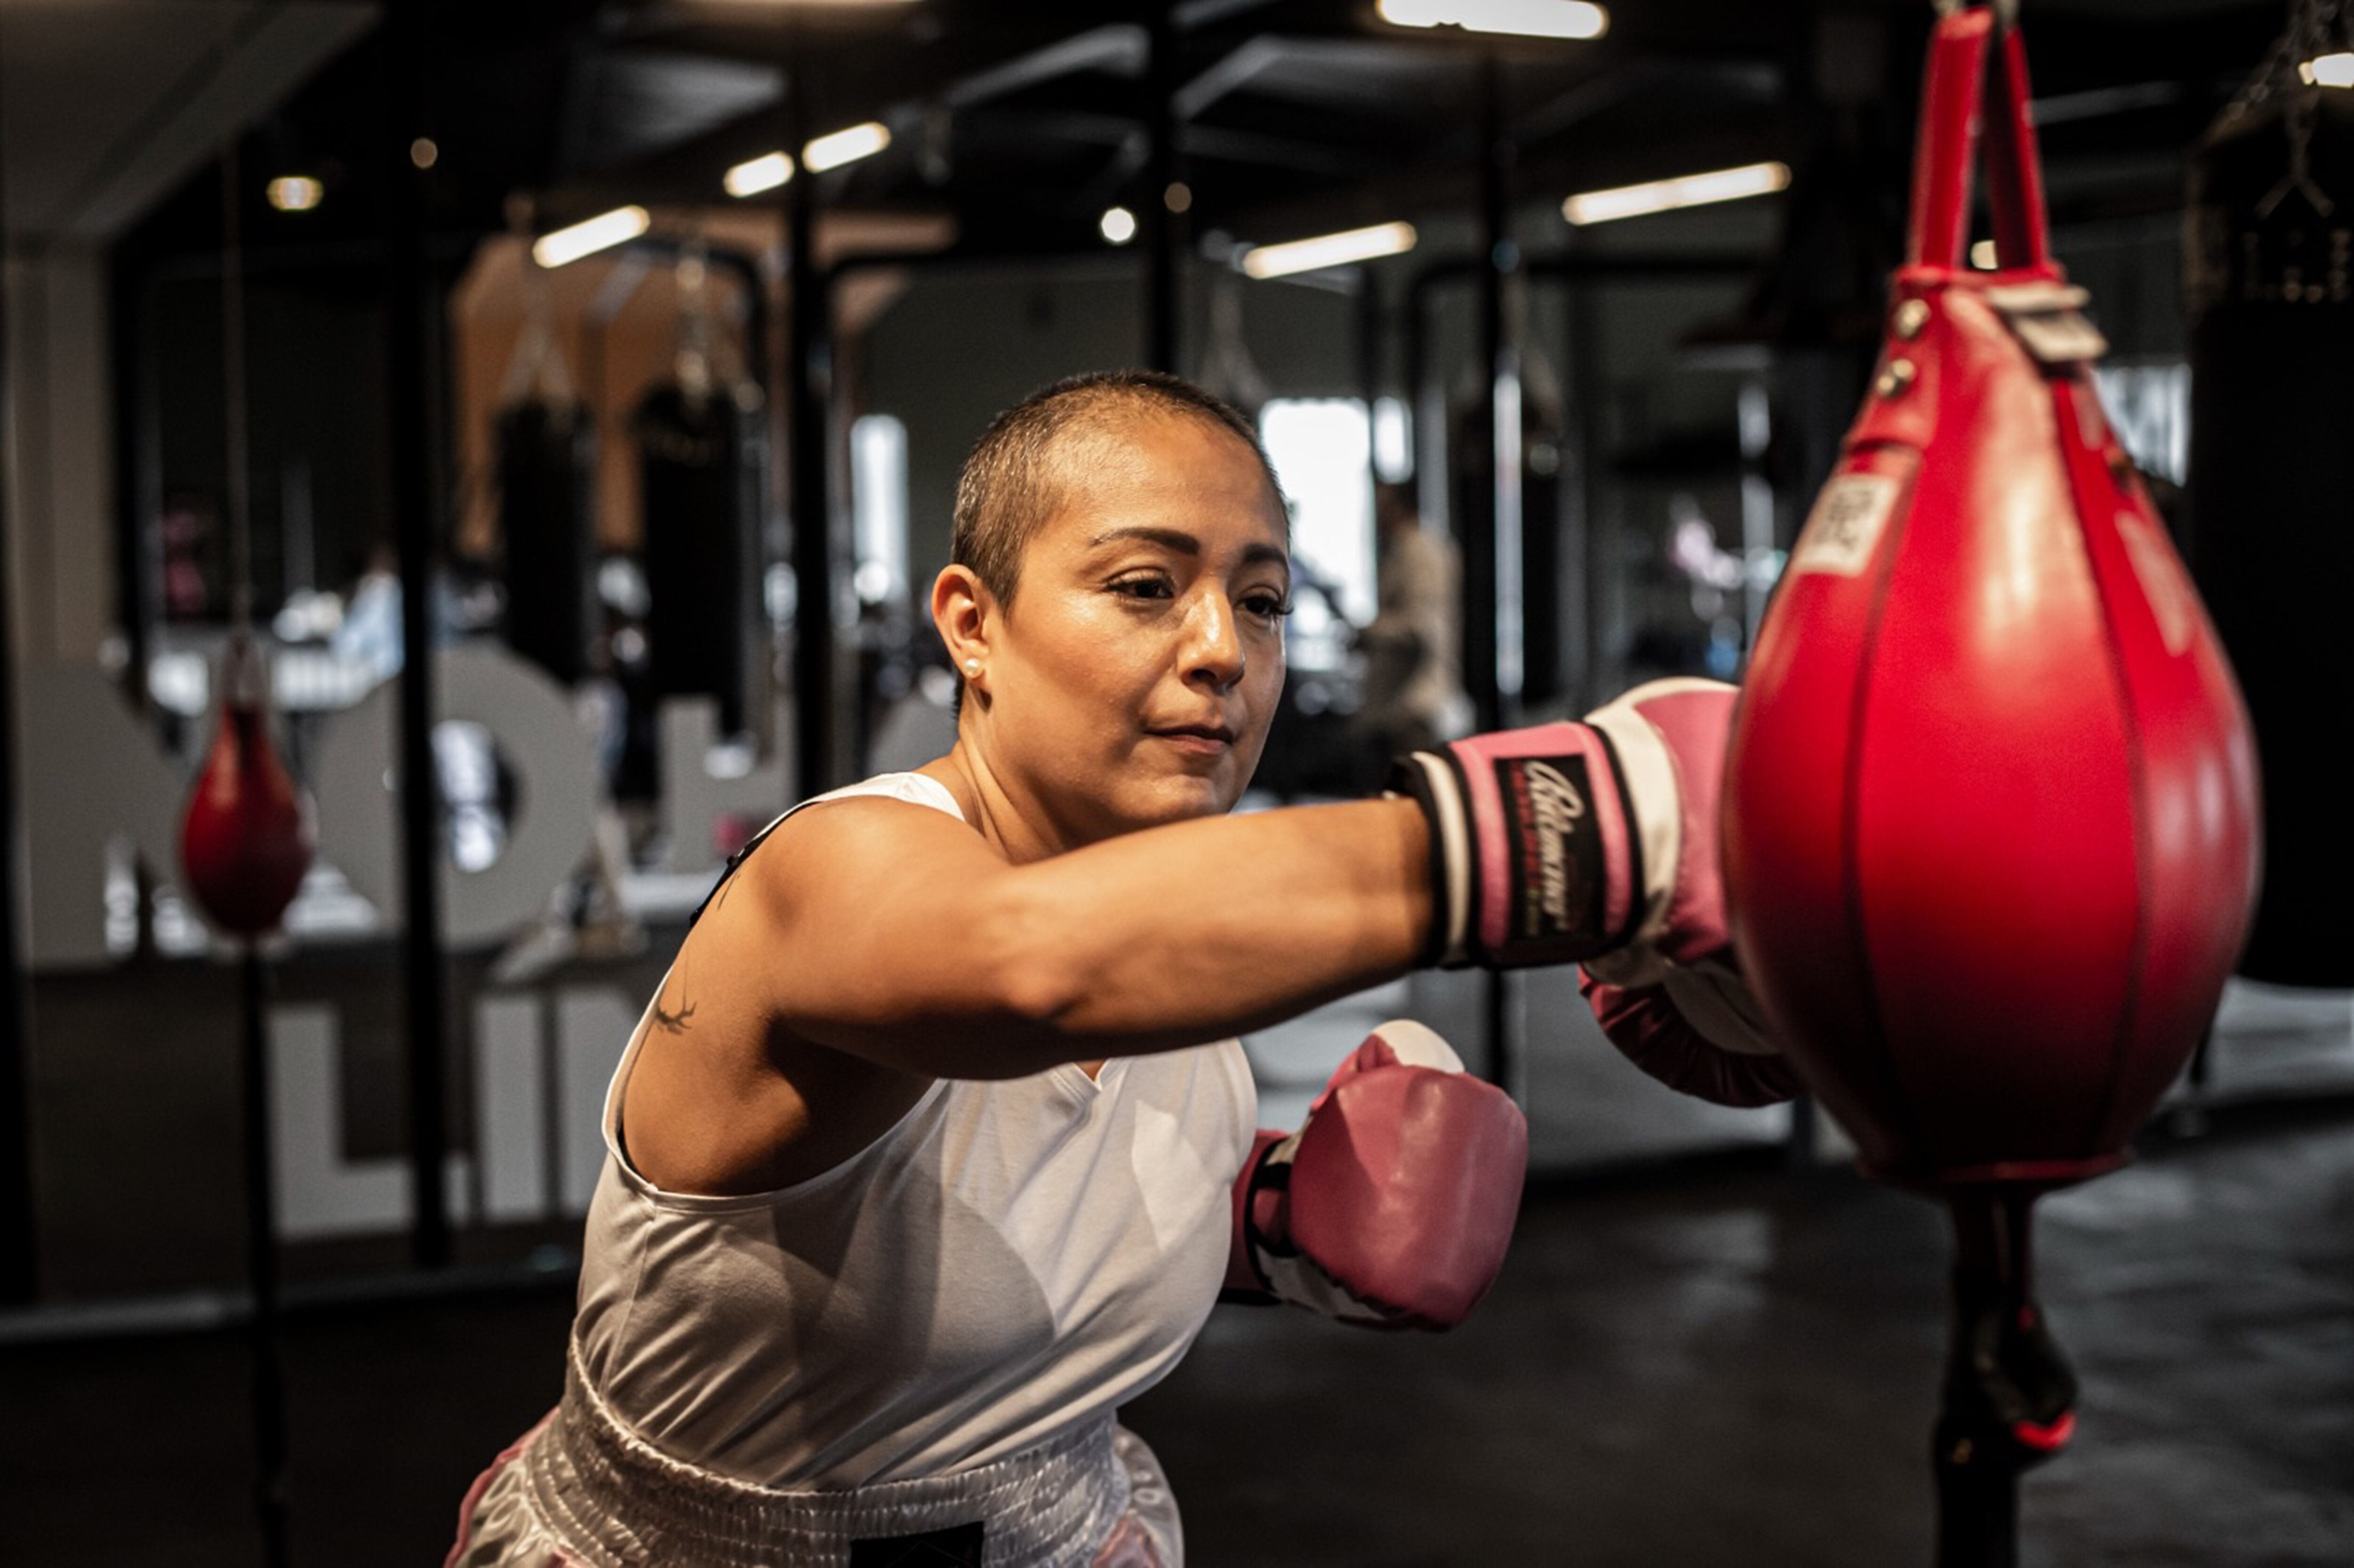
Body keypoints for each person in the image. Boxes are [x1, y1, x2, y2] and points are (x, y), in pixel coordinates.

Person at [445, 370, 1795, 1568]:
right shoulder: (835, 872)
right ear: (973, 625)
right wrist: (1566, 832)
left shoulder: (1179, 924)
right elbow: (1024, 969)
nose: (1223, 649)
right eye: (1146, 586)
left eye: (1260, 600)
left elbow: (1020, 1199)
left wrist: (1263, 1221)